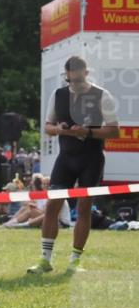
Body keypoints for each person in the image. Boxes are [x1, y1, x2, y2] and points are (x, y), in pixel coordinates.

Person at [28, 56, 119, 274]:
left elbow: (114, 130)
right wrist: (59, 129)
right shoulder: (58, 95)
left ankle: (75, 261)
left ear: (86, 74)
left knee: (84, 207)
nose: (75, 84)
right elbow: (48, 127)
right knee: (52, 205)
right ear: (67, 75)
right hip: (66, 157)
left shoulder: (101, 95)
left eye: (79, 80)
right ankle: (45, 260)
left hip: (91, 158)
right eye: (72, 80)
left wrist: (88, 132)